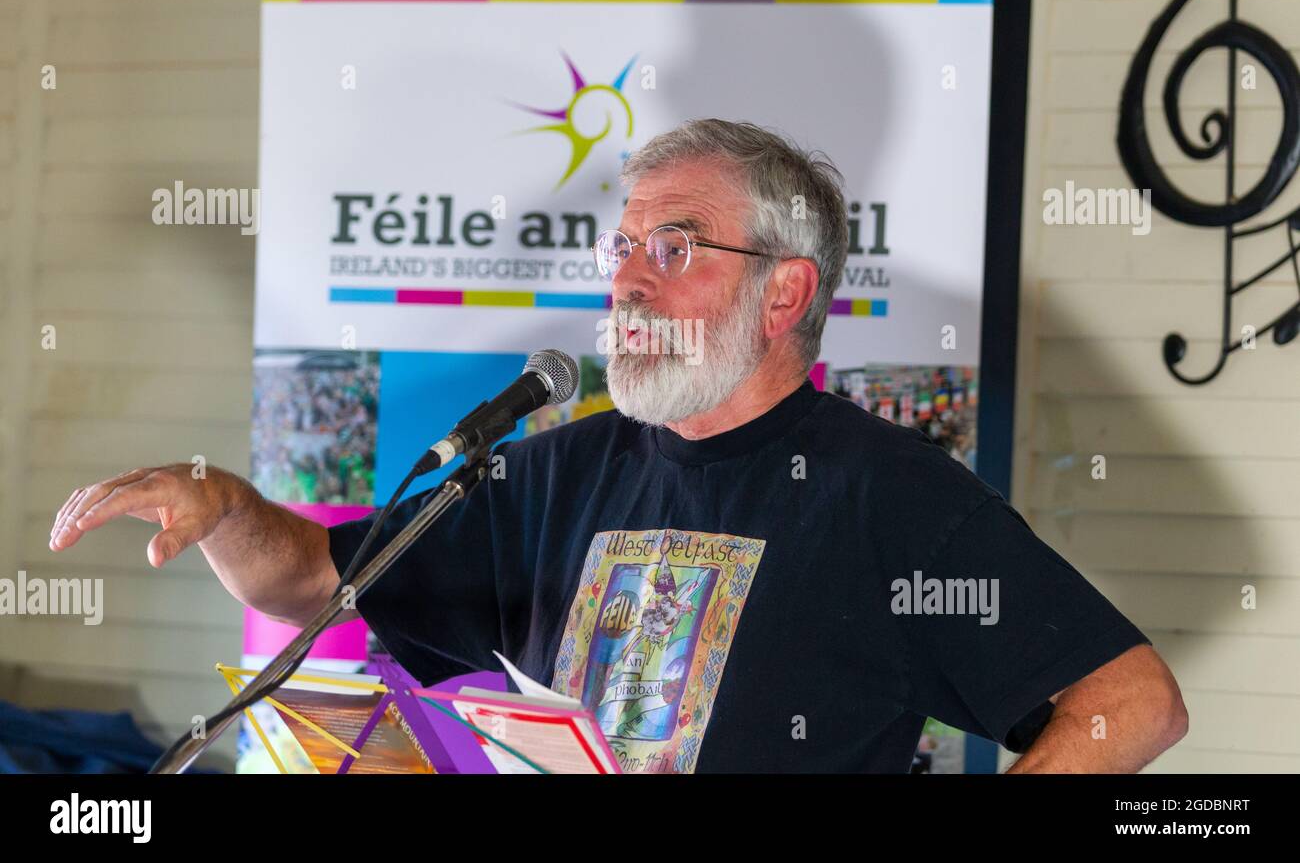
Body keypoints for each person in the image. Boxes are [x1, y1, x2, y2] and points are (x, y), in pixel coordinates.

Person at [48, 119, 1187, 773]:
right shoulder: (554, 467)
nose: (629, 277)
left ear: (784, 290)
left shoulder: (889, 497)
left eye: (676, 245)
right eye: (624, 243)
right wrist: (226, 503)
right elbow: (313, 583)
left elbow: (1130, 701)